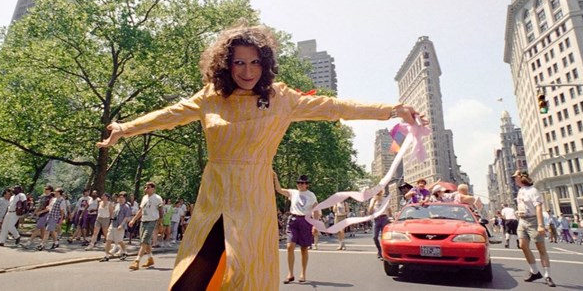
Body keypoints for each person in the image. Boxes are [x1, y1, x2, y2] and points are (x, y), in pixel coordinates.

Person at [97, 23, 423, 290]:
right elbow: (169, 115)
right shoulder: (211, 97)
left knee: (244, 275)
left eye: (255, 62)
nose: (248, 70)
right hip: (213, 199)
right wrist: (125, 128)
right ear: (226, 64)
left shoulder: (281, 98)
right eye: (239, 62)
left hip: (253, 202)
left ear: (264, 64)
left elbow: (335, 107)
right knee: (192, 276)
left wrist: (392, 110)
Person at [513, 170, 556, 287]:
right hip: (522, 221)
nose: (514, 179)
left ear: (521, 178)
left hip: (533, 221)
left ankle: (547, 275)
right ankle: (535, 271)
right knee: (522, 245)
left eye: (515, 177)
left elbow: (538, 208)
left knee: (540, 248)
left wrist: (541, 225)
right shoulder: (520, 191)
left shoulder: (533, 191)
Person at [274, 173, 318, 284]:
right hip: (293, 220)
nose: (301, 185)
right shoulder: (292, 193)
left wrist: (315, 225)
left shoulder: (311, 195)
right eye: (299, 183)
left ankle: (303, 273)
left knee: (304, 248)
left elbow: (316, 210)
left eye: (303, 183)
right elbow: (278, 189)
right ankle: (290, 273)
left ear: (307, 184)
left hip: (306, 221)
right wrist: (275, 177)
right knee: (290, 246)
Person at [127, 181, 163, 270]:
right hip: (144, 221)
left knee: (144, 240)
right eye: (145, 187)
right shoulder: (144, 198)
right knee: (146, 242)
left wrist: (160, 223)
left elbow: (161, 211)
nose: (146, 189)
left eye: (148, 187)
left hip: (152, 221)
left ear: (153, 188)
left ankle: (137, 261)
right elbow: (141, 211)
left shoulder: (157, 198)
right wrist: (133, 220)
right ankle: (150, 259)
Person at [100, 191, 131, 262]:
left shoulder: (126, 207)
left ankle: (125, 252)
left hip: (120, 226)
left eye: (122, 197)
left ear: (125, 198)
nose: (120, 199)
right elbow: (114, 214)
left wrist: (121, 225)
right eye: (119, 197)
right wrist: (110, 223)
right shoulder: (117, 205)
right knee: (108, 239)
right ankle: (106, 255)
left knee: (120, 241)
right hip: (113, 224)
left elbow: (126, 217)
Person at [26, 184, 54, 249]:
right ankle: (42, 243)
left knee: (37, 227)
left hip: (46, 214)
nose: (45, 190)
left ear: (50, 190)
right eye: (45, 189)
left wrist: (40, 212)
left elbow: (49, 208)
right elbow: (39, 206)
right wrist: (34, 213)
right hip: (40, 214)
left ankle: (29, 242)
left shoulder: (51, 198)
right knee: (42, 229)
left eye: (46, 189)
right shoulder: (43, 197)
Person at [369, 190, 392, 259]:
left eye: (379, 193)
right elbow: (370, 211)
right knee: (375, 237)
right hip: (376, 219)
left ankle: (383, 252)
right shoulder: (372, 200)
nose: (378, 194)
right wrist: (373, 203)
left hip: (384, 218)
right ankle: (379, 250)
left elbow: (389, 209)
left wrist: (391, 218)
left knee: (383, 237)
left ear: (381, 193)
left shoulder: (385, 199)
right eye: (376, 193)